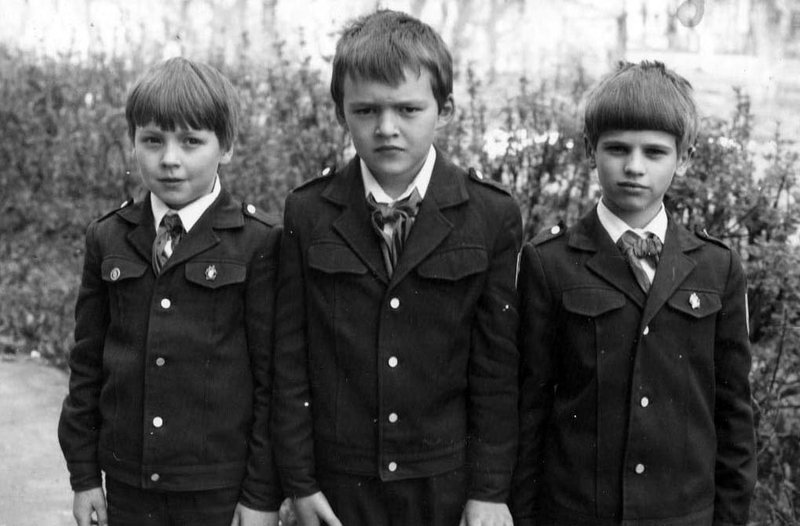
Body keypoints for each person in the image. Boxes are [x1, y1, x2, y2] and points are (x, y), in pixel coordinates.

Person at [271, 9, 522, 526]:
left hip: (443, 485)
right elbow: (290, 360)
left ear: (444, 110)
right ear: (340, 113)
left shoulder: (489, 214)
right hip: (340, 487)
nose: (387, 129)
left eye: (408, 109)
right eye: (366, 111)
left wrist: (489, 490)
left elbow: (496, 370)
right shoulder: (309, 212)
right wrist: (300, 483)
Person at [510, 60, 757, 526]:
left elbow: (735, 417)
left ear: (684, 158)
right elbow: (530, 409)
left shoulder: (716, 267)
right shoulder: (550, 263)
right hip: (576, 512)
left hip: (683, 515)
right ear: (591, 150)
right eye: (617, 148)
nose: (634, 167)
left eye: (655, 152)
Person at [58, 57, 282, 526]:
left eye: (191, 141)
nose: (170, 160)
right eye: (153, 140)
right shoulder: (108, 237)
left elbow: (272, 382)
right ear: (133, 142)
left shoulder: (257, 242)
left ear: (226, 147)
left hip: (217, 489)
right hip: (128, 485)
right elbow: (87, 365)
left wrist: (261, 496)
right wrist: (84, 477)